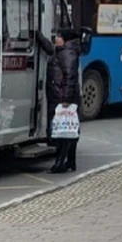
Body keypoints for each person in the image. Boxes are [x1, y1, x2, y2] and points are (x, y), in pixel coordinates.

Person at [47, 27, 81, 174]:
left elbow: (69, 77)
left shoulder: (67, 53)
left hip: (63, 98)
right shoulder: (63, 50)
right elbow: (50, 48)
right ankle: (70, 162)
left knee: (63, 131)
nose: (55, 38)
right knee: (70, 130)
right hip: (62, 96)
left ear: (65, 39)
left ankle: (60, 162)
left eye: (58, 36)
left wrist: (66, 99)